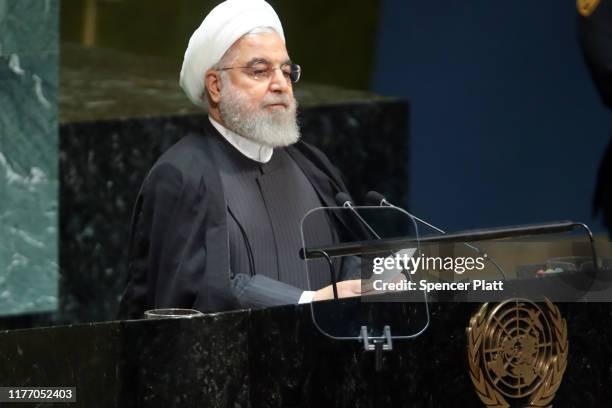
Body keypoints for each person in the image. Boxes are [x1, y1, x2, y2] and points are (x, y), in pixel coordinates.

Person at [117, 0, 362, 319]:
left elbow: (353, 251)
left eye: (287, 71)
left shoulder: (312, 165)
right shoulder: (181, 175)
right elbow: (191, 294)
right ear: (215, 86)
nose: (280, 84)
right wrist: (306, 300)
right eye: (260, 71)